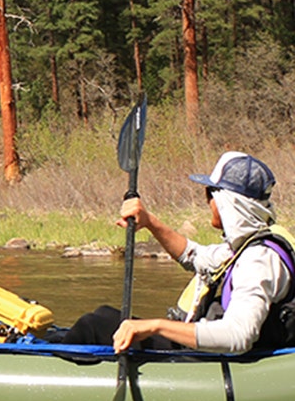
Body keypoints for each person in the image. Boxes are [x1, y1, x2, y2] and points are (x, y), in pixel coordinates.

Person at [61, 151, 295, 355]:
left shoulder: (258, 261)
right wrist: (150, 222)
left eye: (209, 194)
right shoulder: (244, 248)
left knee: (93, 326)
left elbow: (238, 336)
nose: (207, 202)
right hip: (205, 350)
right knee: (104, 315)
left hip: (216, 361)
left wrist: (156, 326)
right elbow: (193, 256)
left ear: (227, 203)